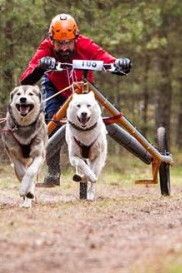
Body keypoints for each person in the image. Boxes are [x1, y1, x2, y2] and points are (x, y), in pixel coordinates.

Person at [19, 13, 131, 187]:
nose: (64, 48)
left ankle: (150, 154)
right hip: (56, 88)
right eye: (59, 43)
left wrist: (119, 64)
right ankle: (53, 172)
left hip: (85, 91)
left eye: (68, 43)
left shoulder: (85, 44)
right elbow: (25, 79)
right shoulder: (45, 47)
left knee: (103, 118)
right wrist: (42, 65)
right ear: (51, 40)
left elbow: (106, 59)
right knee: (52, 119)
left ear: (75, 38)